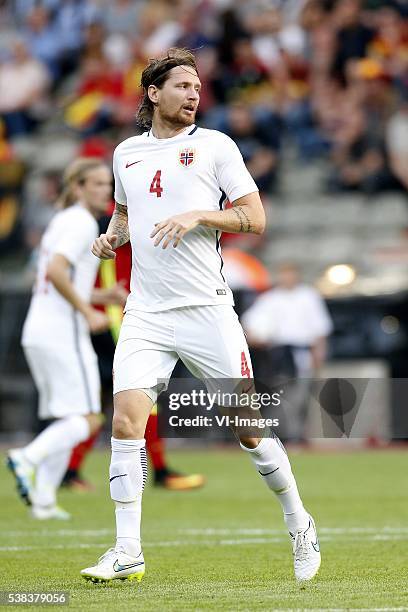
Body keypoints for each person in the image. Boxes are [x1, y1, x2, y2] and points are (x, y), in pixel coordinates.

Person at [81, 47, 320, 584]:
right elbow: (124, 211)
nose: (194, 94)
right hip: (145, 310)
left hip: (206, 310)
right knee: (125, 423)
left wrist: (197, 215)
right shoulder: (126, 153)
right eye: (183, 85)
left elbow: (254, 220)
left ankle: (298, 520)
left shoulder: (215, 146)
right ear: (153, 93)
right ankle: (127, 551)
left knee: (248, 429)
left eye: (197, 86)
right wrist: (111, 237)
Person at [6, 157, 126, 520]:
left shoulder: (60, 220)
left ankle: (43, 501)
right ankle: (26, 457)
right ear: (77, 187)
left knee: (67, 417)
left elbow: (56, 278)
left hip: (39, 330)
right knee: (89, 417)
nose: (106, 191)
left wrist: (102, 298)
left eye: (108, 184)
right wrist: (88, 311)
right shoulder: (81, 222)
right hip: (63, 332)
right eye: (98, 184)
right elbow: (58, 271)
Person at [242, 262, 333, 441]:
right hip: (277, 355)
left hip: (301, 352)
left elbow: (320, 330)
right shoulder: (269, 299)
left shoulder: (309, 296)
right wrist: (255, 338)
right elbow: (249, 325)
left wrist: (319, 355)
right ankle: (279, 435)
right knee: (279, 395)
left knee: (301, 397)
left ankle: (297, 435)